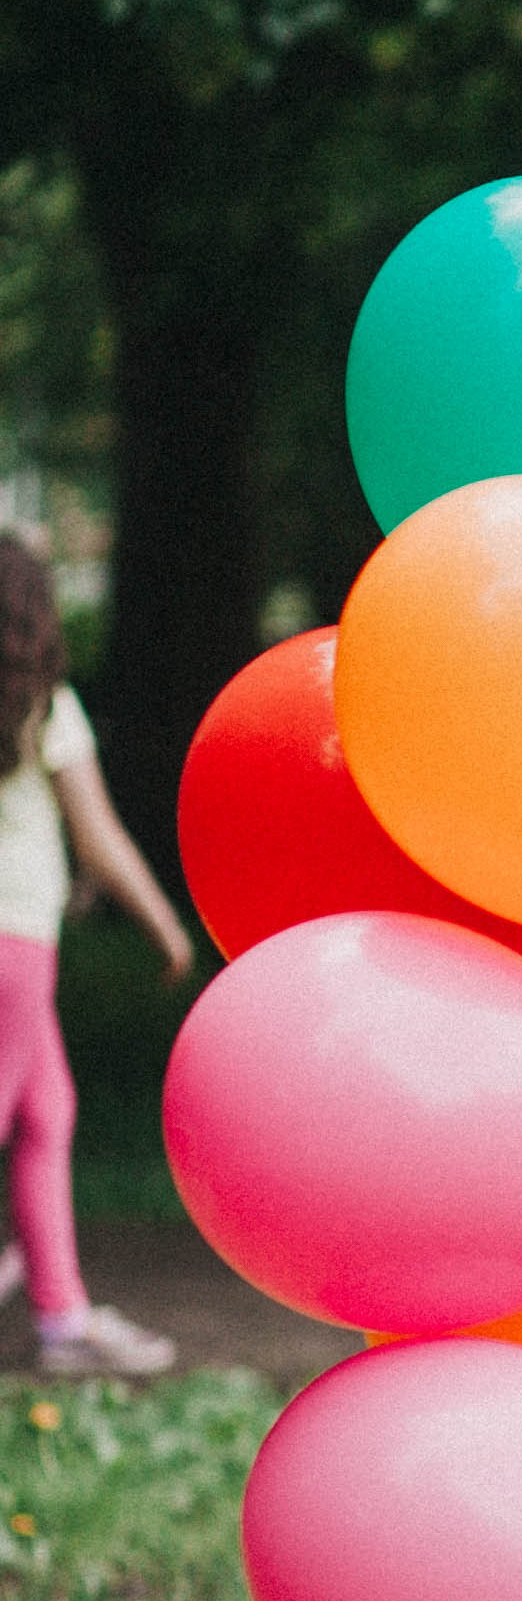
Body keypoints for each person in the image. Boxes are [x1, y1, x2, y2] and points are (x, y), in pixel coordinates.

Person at [0, 537, 193, 1376]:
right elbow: (101, 837)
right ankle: (62, 1316)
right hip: (13, 943)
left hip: (20, 936)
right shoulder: (44, 703)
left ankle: (62, 1315)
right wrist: (166, 927)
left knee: (48, 1112)